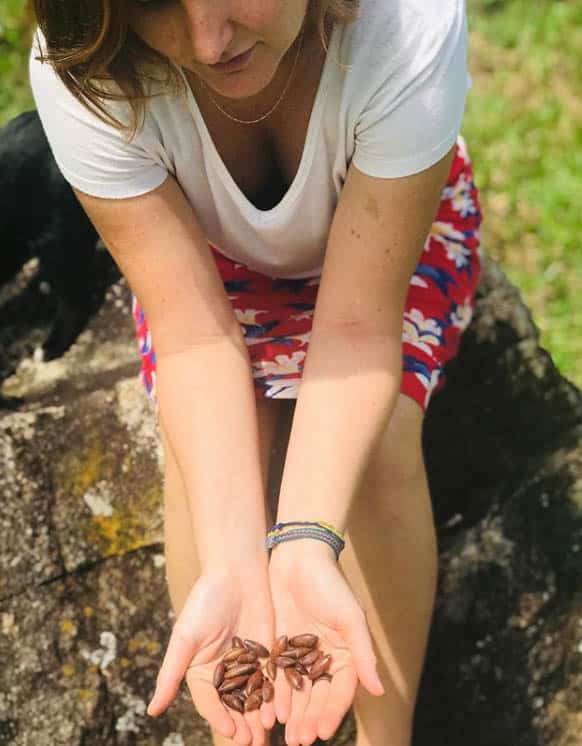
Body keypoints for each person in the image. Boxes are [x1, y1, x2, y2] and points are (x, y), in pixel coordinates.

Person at [29, 0, 483, 744]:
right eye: (152, 3)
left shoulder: (410, 21)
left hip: (390, 227)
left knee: (381, 446)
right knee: (201, 470)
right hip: (214, 263)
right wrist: (238, 561)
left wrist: (305, 540)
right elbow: (193, 338)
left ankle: (386, 735)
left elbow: (360, 324)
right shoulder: (82, 64)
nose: (209, 43)